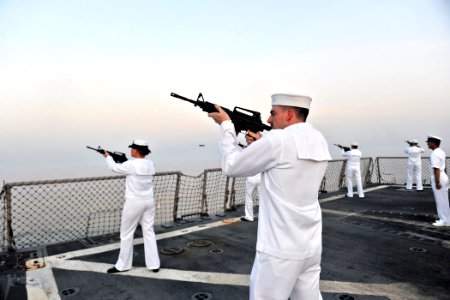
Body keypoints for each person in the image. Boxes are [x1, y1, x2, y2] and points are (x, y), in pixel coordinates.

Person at [208, 93, 331, 300]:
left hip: (278, 251)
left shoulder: (277, 140)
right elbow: (288, 159)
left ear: (289, 114)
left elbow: (231, 166)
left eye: (273, 113)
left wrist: (226, 127)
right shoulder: (318, 138)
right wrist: (262, 142)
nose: (268, 120)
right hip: (309, 245)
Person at [104, 139, 161, 273]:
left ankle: (123, 266)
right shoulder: (150, 163)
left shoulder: (130, 164)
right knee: (148, 231)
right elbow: (134, 167)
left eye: (132, 148)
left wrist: (108, 157)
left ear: (136, 150)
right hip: (149, 201)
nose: (131, 150)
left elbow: (113, 167)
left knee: (126, 234)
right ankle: (154, 265)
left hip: (134, 202)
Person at [426, 135, 450, 227]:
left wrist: (437, 182)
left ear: (433, 143)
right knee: (444, 200)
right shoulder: (441, 152)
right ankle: (447, 219)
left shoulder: (434, 154)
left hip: (439, 177)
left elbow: (436, 169)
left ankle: (444, 220)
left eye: (429, 142)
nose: (427, 144)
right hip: (443, 176)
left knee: (440, 200)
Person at [241, 133, 261, 222]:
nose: (246, 140)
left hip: (251, 178)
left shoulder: (248, 149)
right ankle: (263, 215)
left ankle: (249, 216)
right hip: (260, 177)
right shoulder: (260, 147)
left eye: (247, 139)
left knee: (249, 197)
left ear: (251, 139)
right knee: (262, 197)